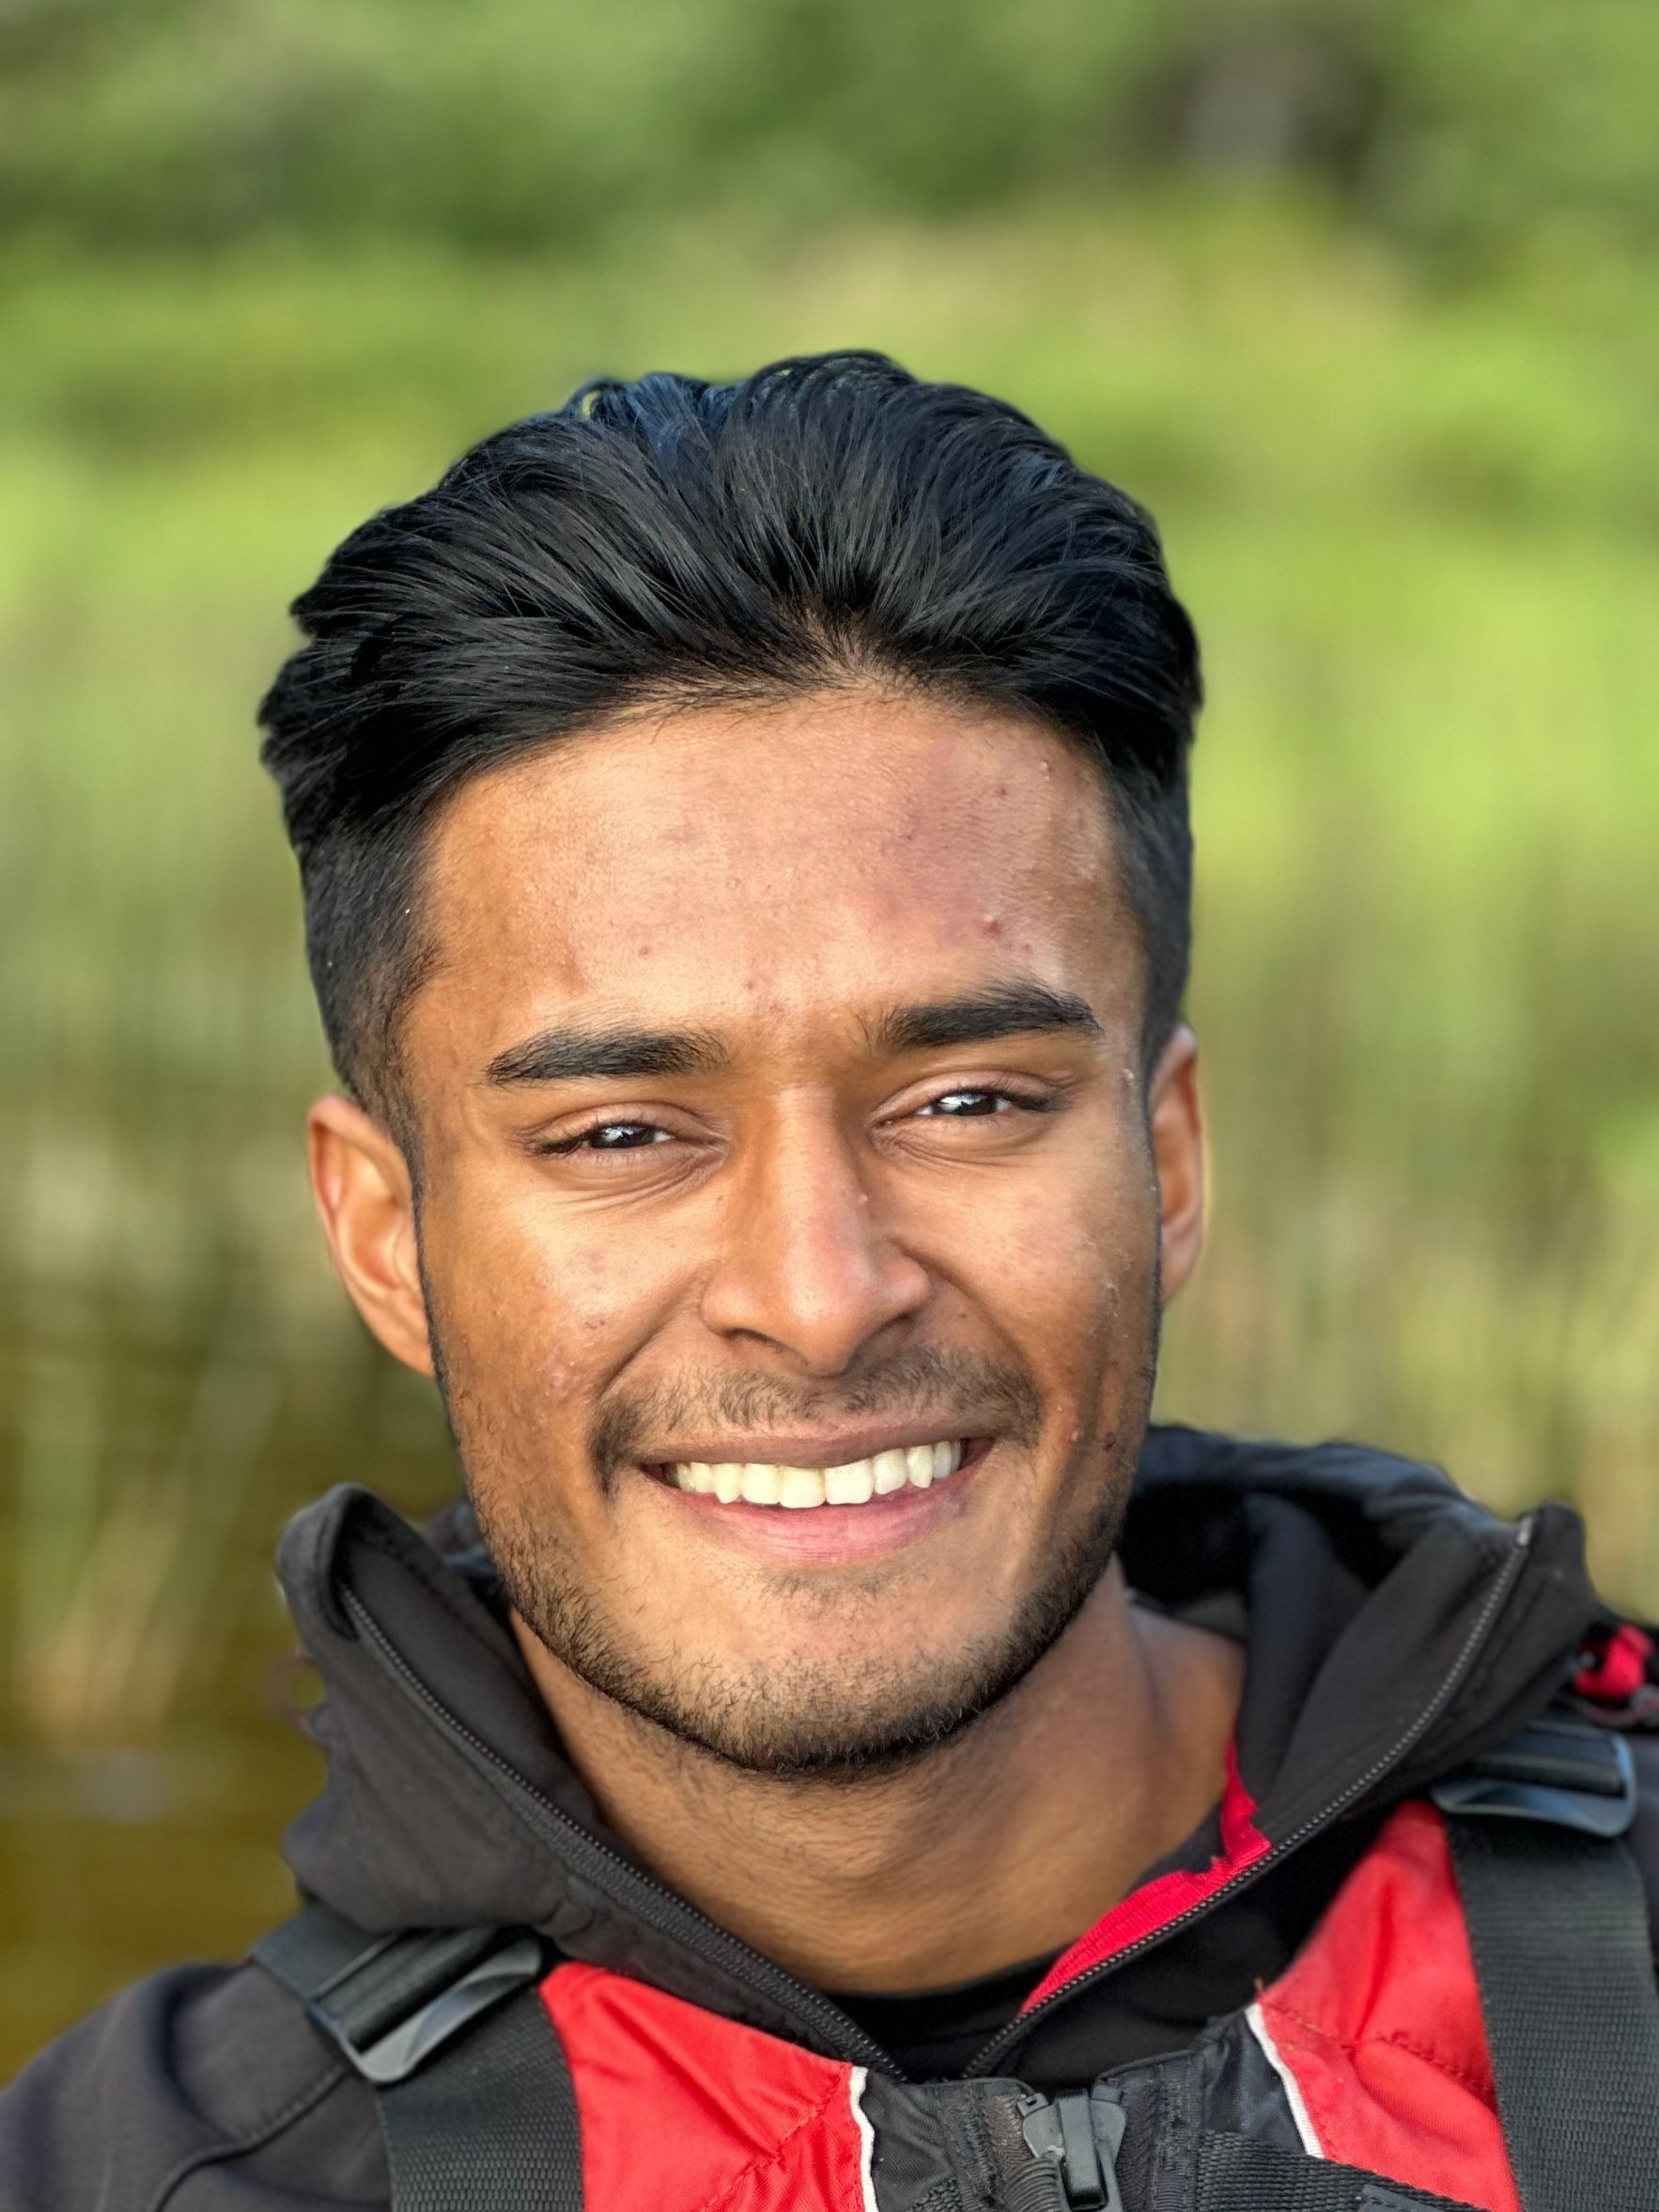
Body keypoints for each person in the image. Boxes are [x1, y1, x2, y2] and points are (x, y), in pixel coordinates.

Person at [4, 353, 1656, 2212]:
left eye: (965, 1101)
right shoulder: (146, 2175)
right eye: (623, 1133)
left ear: (1166, 1155)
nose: (817, 1291)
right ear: (385, 1235)